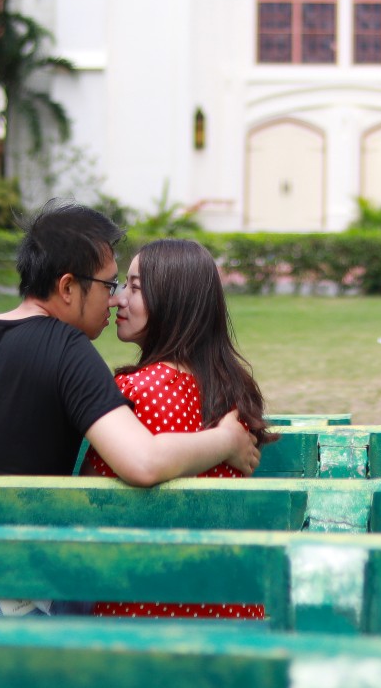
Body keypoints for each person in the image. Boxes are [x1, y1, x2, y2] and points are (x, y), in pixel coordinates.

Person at [0, 203, 261, 618]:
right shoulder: (67, 349)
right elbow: (142, 463)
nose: (114, 298)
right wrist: (226, 439)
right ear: (67, 288)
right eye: (108, 284)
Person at [83, 239, 276, 619]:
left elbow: (92, 499)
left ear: (172, 301)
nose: (117, 299)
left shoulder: (135, 391)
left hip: (149, 607)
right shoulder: (232, 388)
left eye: (134, 288)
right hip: (233, 606)